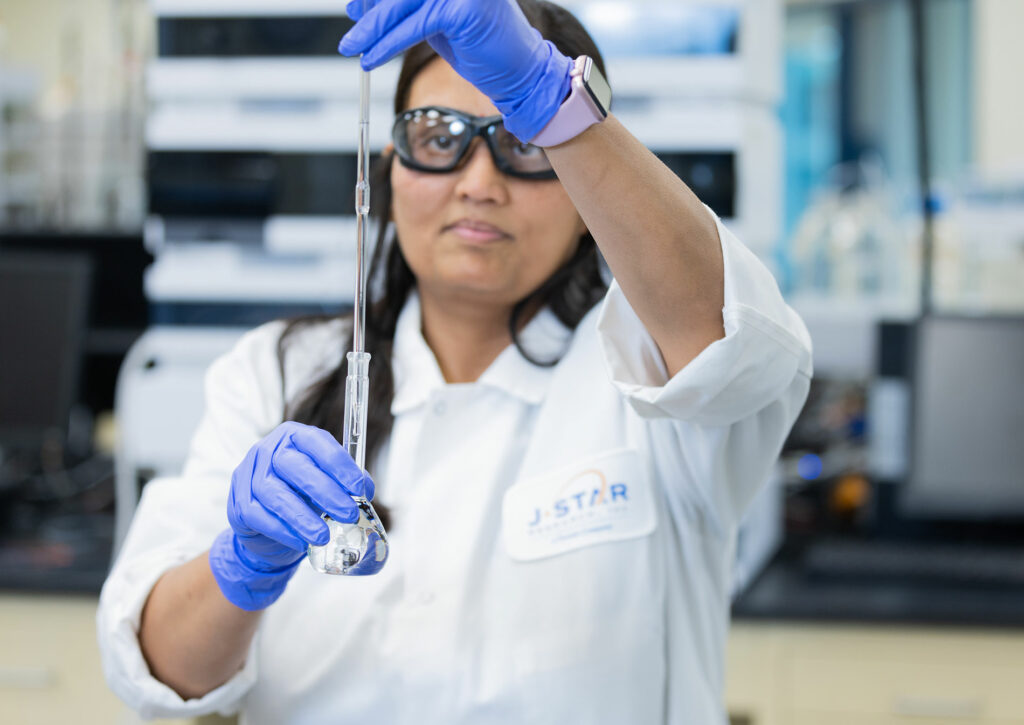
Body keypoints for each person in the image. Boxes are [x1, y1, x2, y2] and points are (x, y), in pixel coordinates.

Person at [98, 1, 812, 723]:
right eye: (437, 136)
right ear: (390, 170)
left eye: (523, 142)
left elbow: (736, 346)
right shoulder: (276, 371)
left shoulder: (649, 368)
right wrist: (241, 566)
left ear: (582, 184)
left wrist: (553, 98)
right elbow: (156, 669)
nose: (479, 182)